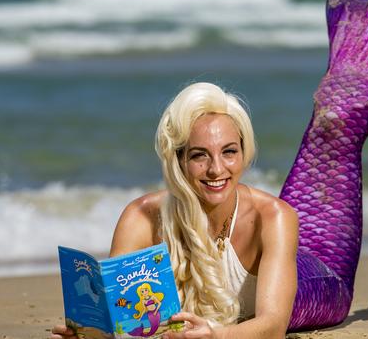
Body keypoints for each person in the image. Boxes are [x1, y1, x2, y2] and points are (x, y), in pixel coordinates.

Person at [51, 82, 298, 339]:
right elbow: (120, 321)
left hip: (310, 290)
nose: (216, 169)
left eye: (229, 152)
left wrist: (217, 336)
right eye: (199, 155)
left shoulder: (273, 218)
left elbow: (274, 325)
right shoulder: (141, 218)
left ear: (244, 152)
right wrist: (88, 335)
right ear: (178, 160)